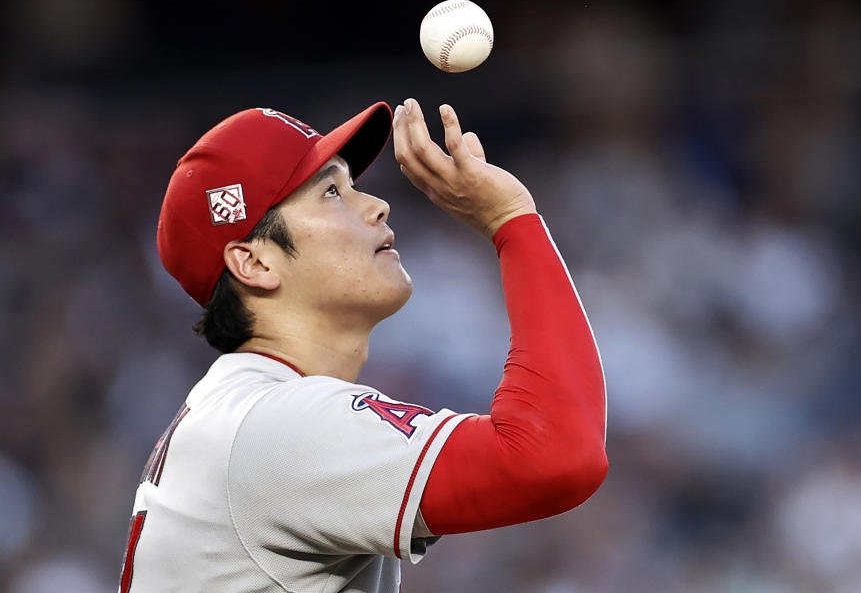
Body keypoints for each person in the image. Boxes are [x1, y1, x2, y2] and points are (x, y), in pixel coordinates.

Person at [120, 98, 608, 592]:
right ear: (256, 263)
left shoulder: (246, 414)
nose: (377, 204)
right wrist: (511, 221)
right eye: (331, 191)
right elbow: (556, 456)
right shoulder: (276, 425)